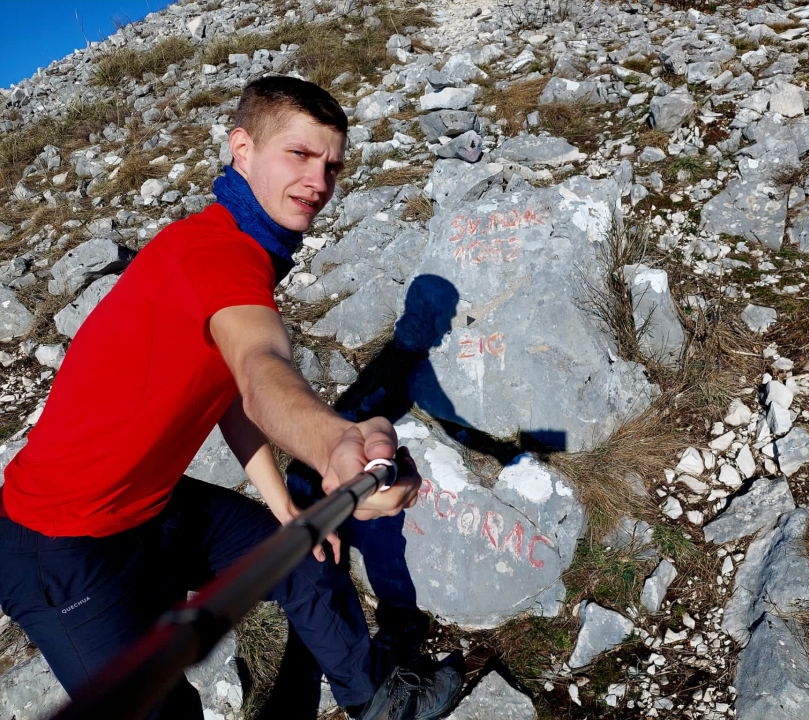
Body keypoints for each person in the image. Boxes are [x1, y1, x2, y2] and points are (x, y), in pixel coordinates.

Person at [0, 76, 462, 720]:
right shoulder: (219, 255)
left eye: (331, 164)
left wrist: (284, 511)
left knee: (303, 559)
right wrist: (333, 443)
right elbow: (259, 365)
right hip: (62, 548)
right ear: (241, 149)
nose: (319, 181)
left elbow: (229, 393)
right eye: (298, 155)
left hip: (152, 504)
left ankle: (379, 699)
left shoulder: (230, 249)